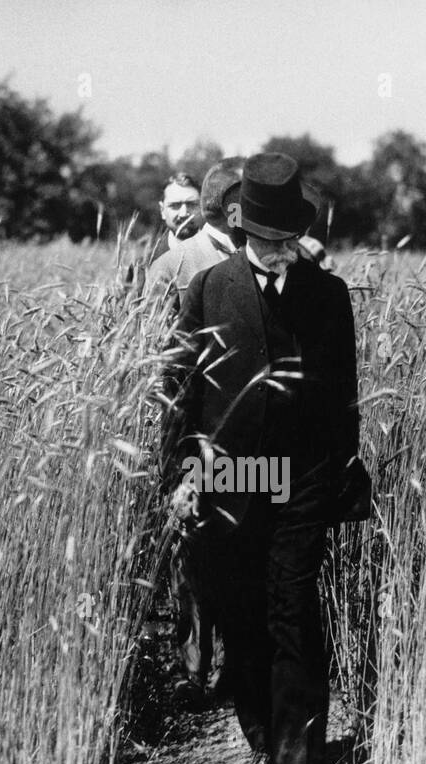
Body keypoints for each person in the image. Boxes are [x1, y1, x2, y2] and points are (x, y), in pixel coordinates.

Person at [160, 152, 366, 764]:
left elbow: (344, 398)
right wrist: (182, 477)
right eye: (269, 240)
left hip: (301, 477)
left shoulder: (328, 296)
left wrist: (335, 470)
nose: (282, 252)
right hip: (230, 478)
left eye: (290, 240)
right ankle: (258, 738)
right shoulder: (209, 290)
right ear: (243, 229)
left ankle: (298, 758)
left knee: (293, 610)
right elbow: (182, 394)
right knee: (242, 613)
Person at [152, 159, 244, 704]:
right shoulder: (173, 266)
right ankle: (194, 669)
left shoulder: (266, 258)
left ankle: (235, 666)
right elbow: (157, 362)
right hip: (192, 432)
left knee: (240, 542)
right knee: (193, 548)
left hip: (249, 436)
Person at [147, 158, 244, 302]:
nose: (183, 213)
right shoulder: (160, 265)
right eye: (175, 205)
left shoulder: (256, 252)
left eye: (191, 204)